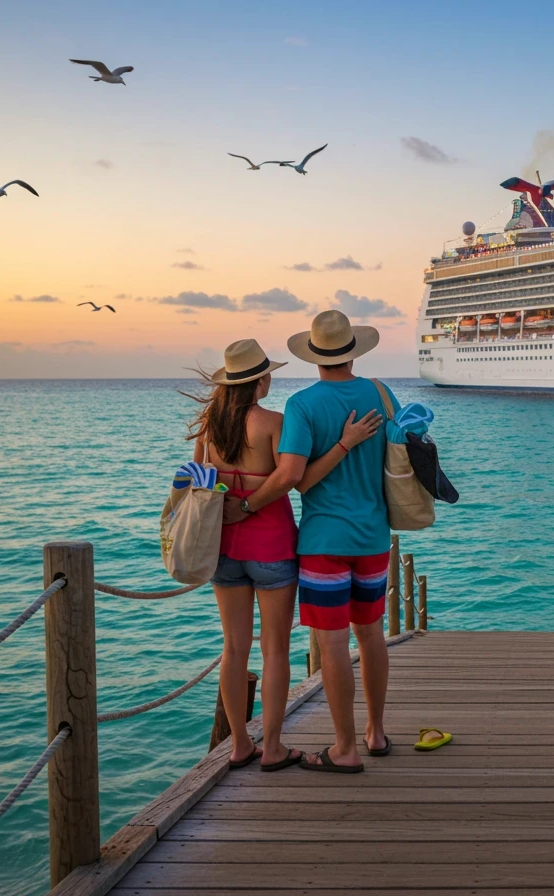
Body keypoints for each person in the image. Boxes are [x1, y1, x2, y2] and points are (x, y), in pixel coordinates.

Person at [187, 337, 380, 772]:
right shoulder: (273, 422)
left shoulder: (207, 429)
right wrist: (253, 502)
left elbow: (198, 481)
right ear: (260, 380)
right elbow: (290, 479)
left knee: (233, 648)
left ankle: (239, 744)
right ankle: (272, 747)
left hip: (223, 546)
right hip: (272, 545)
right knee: (274, 651)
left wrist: (232, 503)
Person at [236, 310, 395, 773]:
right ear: (353, 351)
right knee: (371, 635)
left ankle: (344, 748)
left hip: (324, 540)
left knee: (332, 645)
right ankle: (376, 732)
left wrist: (340, 446)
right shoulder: (381, 392)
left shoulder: (303, 406)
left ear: (314, 354)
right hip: (374, 535)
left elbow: (299, 481)